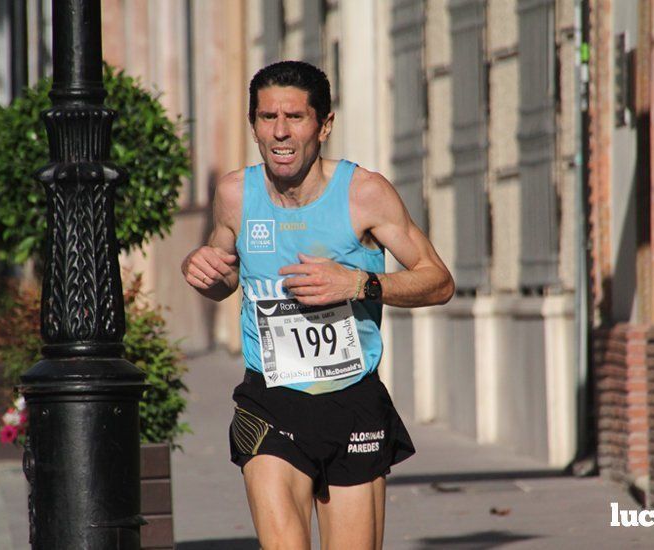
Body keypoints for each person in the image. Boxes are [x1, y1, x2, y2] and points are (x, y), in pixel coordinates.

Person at [181, 60, 454, 550]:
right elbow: (222, 277)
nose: (280, 133)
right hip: (270, 398)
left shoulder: (365, 193)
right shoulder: (235, 194)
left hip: (352, 400)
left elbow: (437, 282)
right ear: (253, 125)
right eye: (267, 118)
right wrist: (205, 274)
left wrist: (358, 283)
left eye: (295, 118)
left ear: (324, 124)